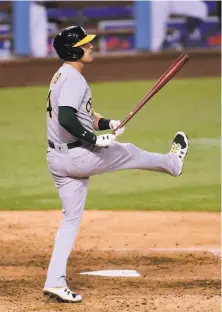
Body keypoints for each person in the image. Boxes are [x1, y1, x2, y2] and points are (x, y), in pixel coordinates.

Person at [43, 25, 189, 303]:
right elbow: (67, 118)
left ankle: (55, 281)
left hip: (57, 160)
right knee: (129, 151)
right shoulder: (75, 79)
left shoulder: (62, 75)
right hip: (78, 156)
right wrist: (96, 140)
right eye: (86, 45)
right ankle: (172, 164)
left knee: (70, 220)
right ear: (75, 50)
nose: (91, 47)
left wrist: (107, 124)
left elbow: (82, 114)